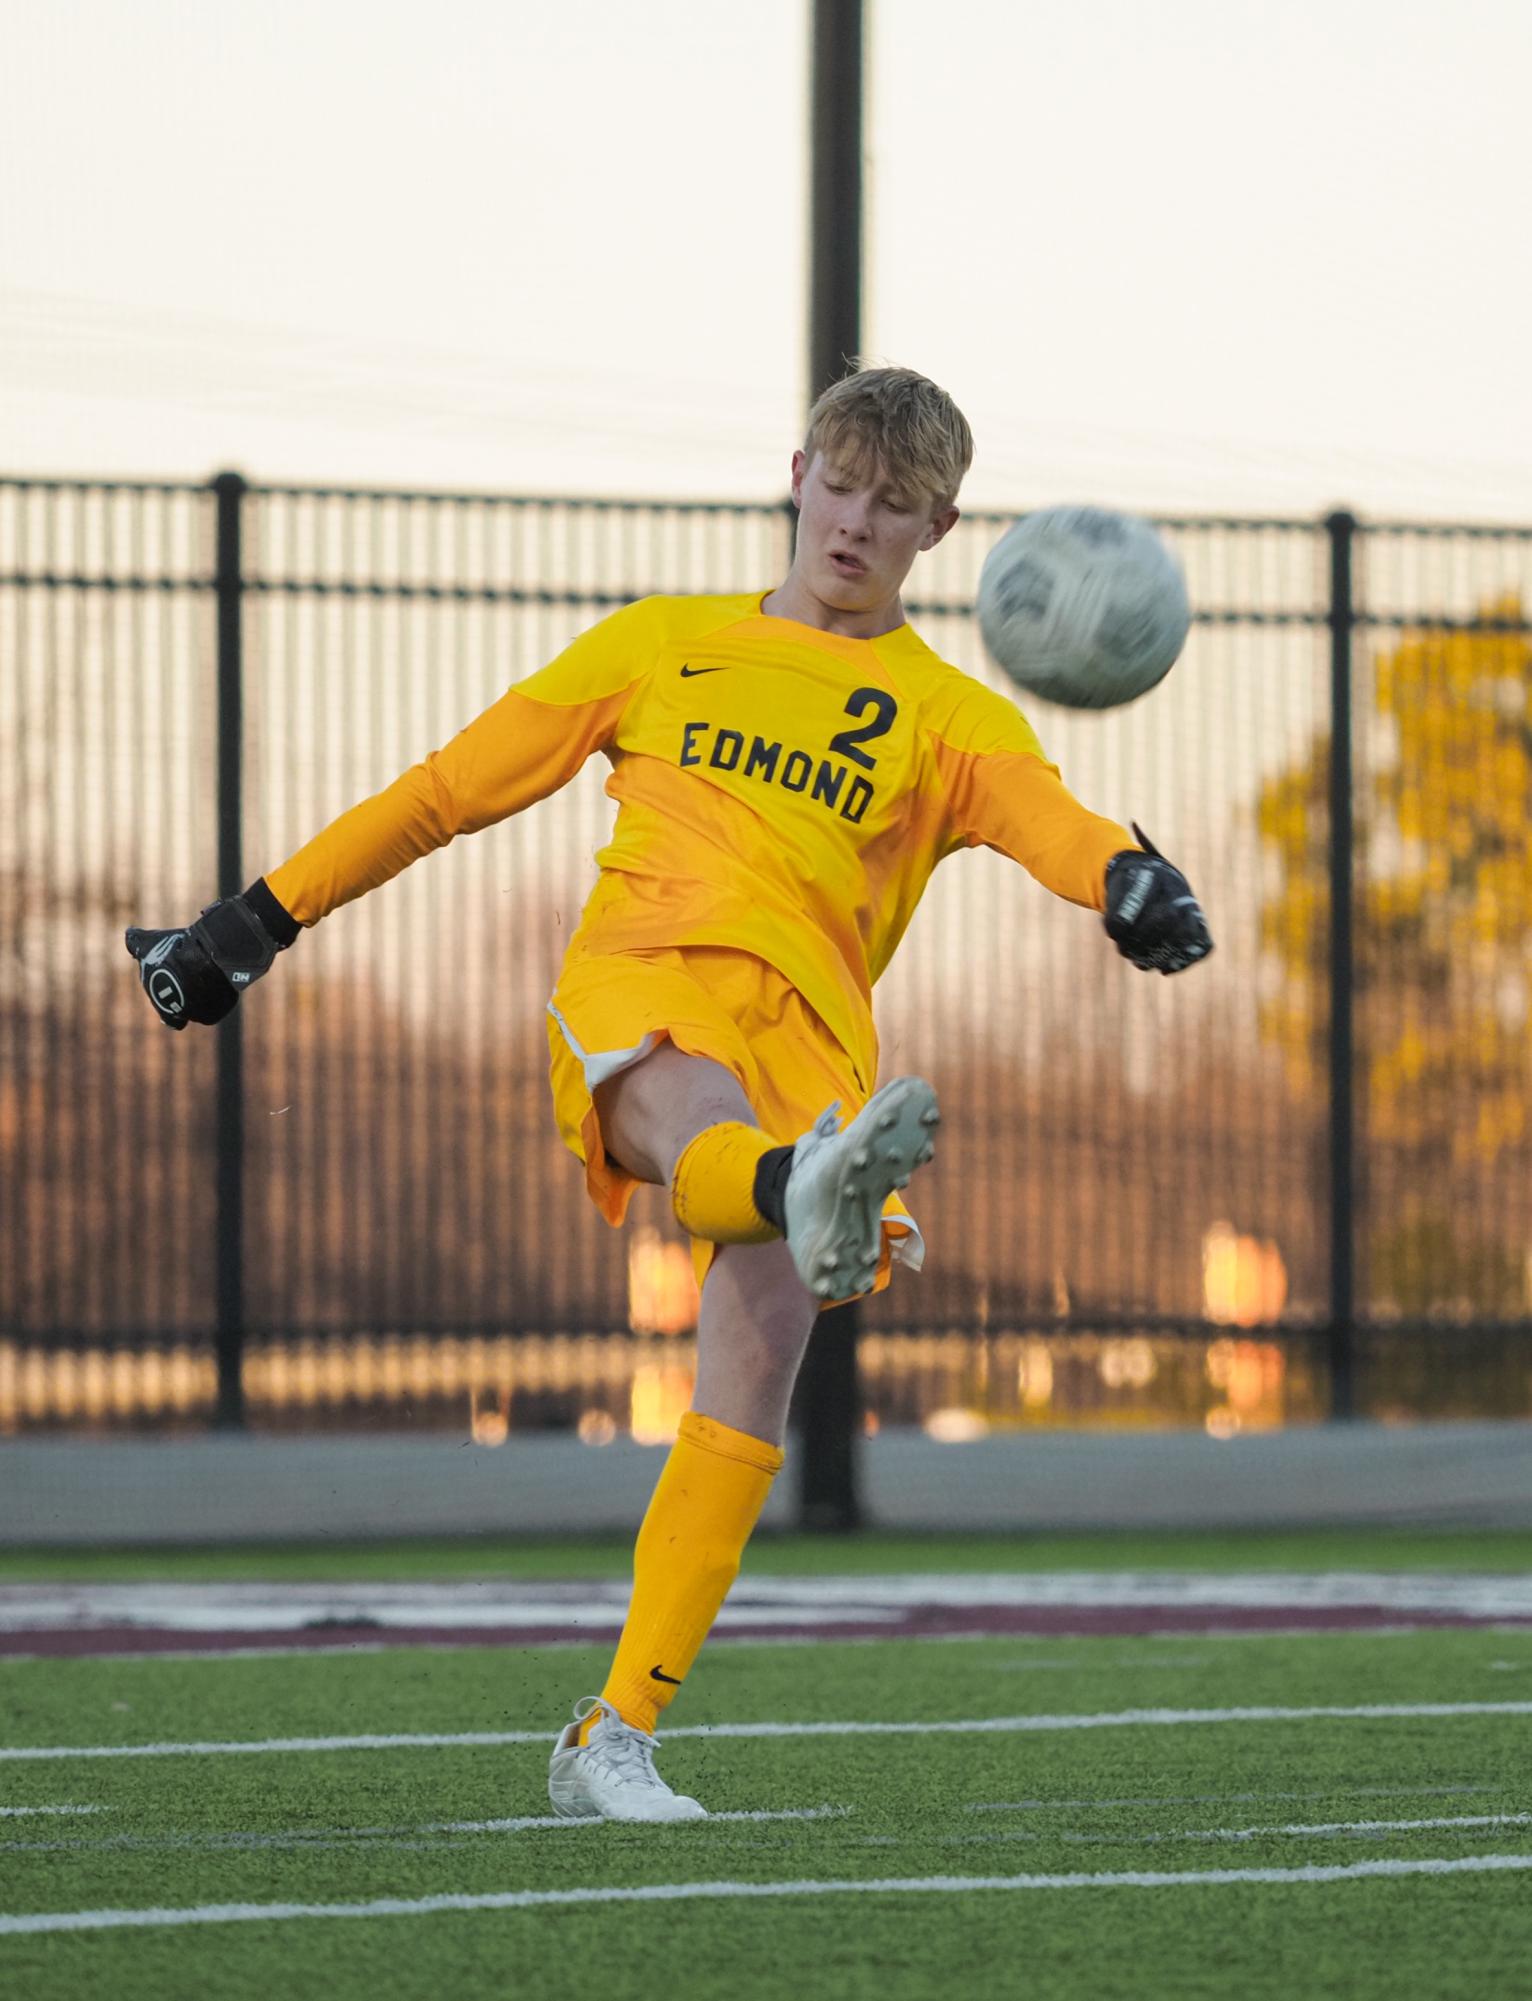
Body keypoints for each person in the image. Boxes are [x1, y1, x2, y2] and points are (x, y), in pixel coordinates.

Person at [126, 365, 1212, 1824]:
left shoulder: (950, 718)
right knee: (707, 1128)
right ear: (796, 476)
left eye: (894, 504)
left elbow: (1058, 827)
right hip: (647, 980)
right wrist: (252, 923)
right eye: (841, 483)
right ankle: (798, 1186)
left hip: (814, 1055)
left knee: (748, 1375)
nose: (855, 520)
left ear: (939, 531)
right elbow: (448, 788)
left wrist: (1129, 879)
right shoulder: (663, 645)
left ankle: (611, 1734)